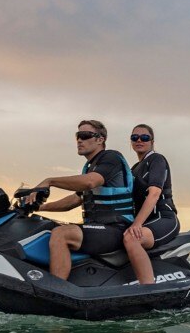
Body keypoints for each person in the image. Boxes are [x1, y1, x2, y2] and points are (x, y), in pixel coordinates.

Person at [28, 120, 134, 280]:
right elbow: (75, 199)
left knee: (61, 234)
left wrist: (50, 181)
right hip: (97, 228)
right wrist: (38, 208)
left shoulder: (111, 158)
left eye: (85, 136)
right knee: (48, 228)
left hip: (115, 229)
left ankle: (56, 289)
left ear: (101, 139)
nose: (79, 140)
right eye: (78, 136)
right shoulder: (90, 167)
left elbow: (90, 182)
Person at [122, 124, 180, 284]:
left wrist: (136, 224)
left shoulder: (156, 159)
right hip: (146, 222)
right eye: (135, 138)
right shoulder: (133, 169)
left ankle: (148, 288)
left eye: (144, 137)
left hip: (164, 218)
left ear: (152, 141)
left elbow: (154, 193)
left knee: (131, 238)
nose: (139, 140)